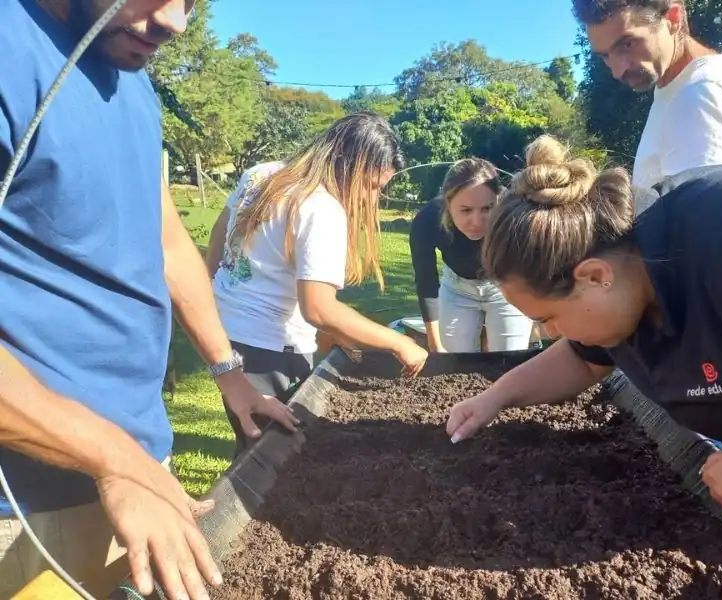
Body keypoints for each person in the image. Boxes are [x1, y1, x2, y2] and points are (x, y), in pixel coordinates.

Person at [0, 1, 299, 599]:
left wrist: (229, 373)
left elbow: (163, 241)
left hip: (137, 473)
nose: (175, 22)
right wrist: (112, 458)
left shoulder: (134, 86)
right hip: (24, 505)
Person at [446, 134, 722, 525]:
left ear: (595, 276)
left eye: (547, 318)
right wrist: (494, 398)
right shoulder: (622, 272)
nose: (549, 333)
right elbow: (583, 361)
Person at [205, 113, 429, 456]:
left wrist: (210, 297)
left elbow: (218, 236)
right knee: (271, 455)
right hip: (272, 353)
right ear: (348, 166)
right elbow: (319, 308)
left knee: (251, 443)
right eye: (371, 187)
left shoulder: (262, 173)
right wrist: (399, 343)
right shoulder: (320, 206)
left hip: (226, 337)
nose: (372, 199)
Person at [573, 0, 722, 190]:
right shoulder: (680, 87)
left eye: (627, 44)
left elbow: (694, 221)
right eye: (606, 56)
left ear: (673, 19)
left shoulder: (702, 91)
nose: (618, 70)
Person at [409, 159, 534, 353]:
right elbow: (426, 281)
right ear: (448, 204)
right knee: (456, 360)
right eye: (466, 210)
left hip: (505, 286)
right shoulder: (427, 220)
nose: (476, 221)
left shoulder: (514, 217)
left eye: (487, 208)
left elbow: (531, 269)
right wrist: (435, 344)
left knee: (510, 357)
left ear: (498, 200)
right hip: (457, 288)